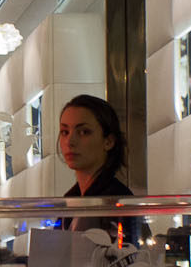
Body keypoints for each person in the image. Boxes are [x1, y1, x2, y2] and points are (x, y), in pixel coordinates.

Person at [55, 93, 143, 245]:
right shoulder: (71, 199)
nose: (70, 141)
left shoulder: (116, 200)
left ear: (108, 141)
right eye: (65, 132)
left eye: (83, 132)